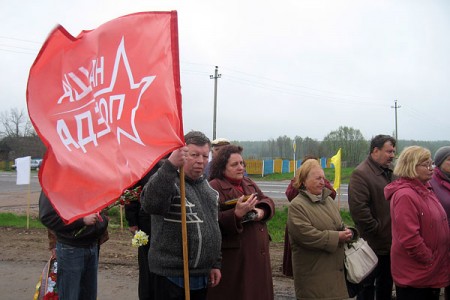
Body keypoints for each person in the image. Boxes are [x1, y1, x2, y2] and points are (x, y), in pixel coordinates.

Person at [140, 131, 222, 300]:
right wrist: (170, 165)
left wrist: (215, 264)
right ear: (182, 154)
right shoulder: (168, 180)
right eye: (194, 155)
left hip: (201, 274)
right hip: (171, 275)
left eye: (205, 156)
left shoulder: (208, 189)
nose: (201, 161)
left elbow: (214, 227)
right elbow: (151, 204)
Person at [206, 145, 275, 300]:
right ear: (222, 167)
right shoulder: (214, 187)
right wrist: (235, 215)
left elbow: (267, 200)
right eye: (234, 164)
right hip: (236, 258)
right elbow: (211, 222)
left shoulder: (248, 182)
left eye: (242, 163)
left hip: (257, 255)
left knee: (258, 292)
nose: (240, 167)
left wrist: (261, 212)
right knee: (240, 292)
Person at [384, 146, 450, 300]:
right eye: (425, 165)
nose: (431, 168)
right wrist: (429, 258)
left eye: (431, 164)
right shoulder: (405, 195)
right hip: (417, 273)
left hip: (428, 271)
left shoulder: (425, 190)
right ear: (411, 166)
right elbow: (409, 237)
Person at [287, 159, 352, 299]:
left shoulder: (328, 200)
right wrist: (337, 237)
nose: (322, 182)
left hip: (335, 276)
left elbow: (338, 224)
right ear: (303, 181)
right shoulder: (297, 206)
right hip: (314, 279)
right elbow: (307, 236)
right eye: (318, 178)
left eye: (323, 178)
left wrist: (348, 230)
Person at [348, 134, 396, 300]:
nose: (392, 155)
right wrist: (379, 230)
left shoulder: (390, 172)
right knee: (367, 288)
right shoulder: (361, 174)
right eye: (389, 151)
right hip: (372, 245)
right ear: (375, 150)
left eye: (393, 152)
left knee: (385, 287)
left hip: (390, 244)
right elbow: (359, 211)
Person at [39, 191, 109, 300]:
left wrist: (102, 221)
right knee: (70, 295)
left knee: (88, 296)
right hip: (71, 249)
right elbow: (48, 217)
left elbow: (102, 207)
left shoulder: (88, 179)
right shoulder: (56, 181)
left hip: (92, 246)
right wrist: (82, 221)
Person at [282, 155, 337, 277]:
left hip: (320, 218)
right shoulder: (297, 181)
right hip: (300, 218)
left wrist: (321, 181)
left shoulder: (321, 181)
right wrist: (302, 183)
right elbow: (290, 195)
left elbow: (332, 194)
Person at [124, 159, 166, 300]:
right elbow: (131, 192)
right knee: (146, 262)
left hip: (166, 223)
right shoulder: (143, 163)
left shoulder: (173, 161)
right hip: (145, 222)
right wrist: (132, 221)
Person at [429, 146, 450, 300]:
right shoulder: (431, 183)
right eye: (449, 160)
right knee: (436, 283)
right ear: (439, 162)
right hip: (438, 242)